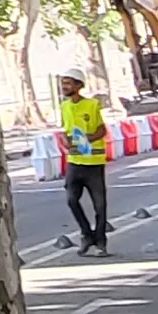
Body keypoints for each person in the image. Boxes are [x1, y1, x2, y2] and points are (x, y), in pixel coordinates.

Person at [57, 74, 114, 254]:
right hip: (74, 162)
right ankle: (86, 234)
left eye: (68, 83)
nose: (64, 87)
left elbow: (102, 130)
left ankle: (100, 242)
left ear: (78, 85)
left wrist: (85, 140)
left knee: (100, 205)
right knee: (72, 200)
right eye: (63, 83)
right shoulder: (64, 106)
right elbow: (65, 130)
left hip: (93, 163)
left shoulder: (92, 104)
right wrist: (65, 141)